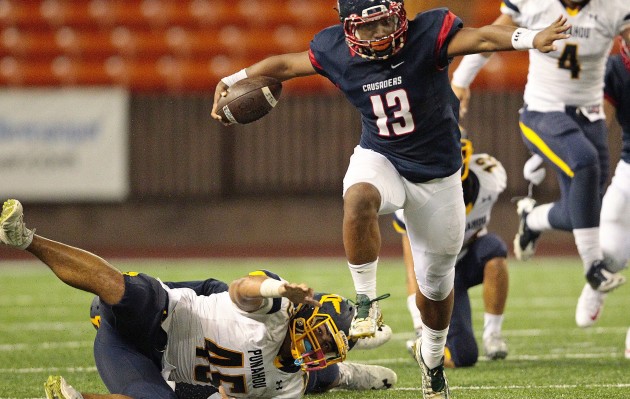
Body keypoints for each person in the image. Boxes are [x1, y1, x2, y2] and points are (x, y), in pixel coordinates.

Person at [211, 2, 569, 397]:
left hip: (438, 178)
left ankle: (432, 361)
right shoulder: (334, 50)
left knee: (435, 289)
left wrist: (530, 38)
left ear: (400, 14)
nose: (381, 32)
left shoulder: (426, 37)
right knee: (358, 197)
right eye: (369, 26)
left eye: (387, 20)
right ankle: (366, 303)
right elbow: (283, 66)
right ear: (348, 29)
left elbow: (482, 37)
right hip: (383, 158)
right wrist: (235, 77)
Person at [0, 199, 397, 399]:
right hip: (165, 314)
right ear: (306, 316)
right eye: (323, 337)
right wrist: (276, 288)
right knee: (123, 291)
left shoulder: (292, 383)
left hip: (148, 362)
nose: (317, 348)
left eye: (329, 349)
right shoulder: (276, 311)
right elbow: (240, 289)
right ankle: (27, 238)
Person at [450, 0, 630, 329]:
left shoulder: (615, 7)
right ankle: (593, 267)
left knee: (586, 214)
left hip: (589, 115)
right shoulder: (533, 2)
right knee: (585, 162)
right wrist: (461, 80)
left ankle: (532, 218)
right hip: (542, 112)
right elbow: (491, 37)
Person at [394, 138, 510, 367]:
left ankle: (493, 335)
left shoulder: (489, 178)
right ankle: (422, 347)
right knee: (464, 356)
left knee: (494, 249)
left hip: (470, 256)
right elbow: (413, 269)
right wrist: (420, 324)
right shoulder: (413, 196)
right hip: (441, 273)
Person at [598, 37, 630, 354]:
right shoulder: (616, 68)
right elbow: (599, 125)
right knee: (608, 251)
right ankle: (597, 285)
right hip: (629, 170)